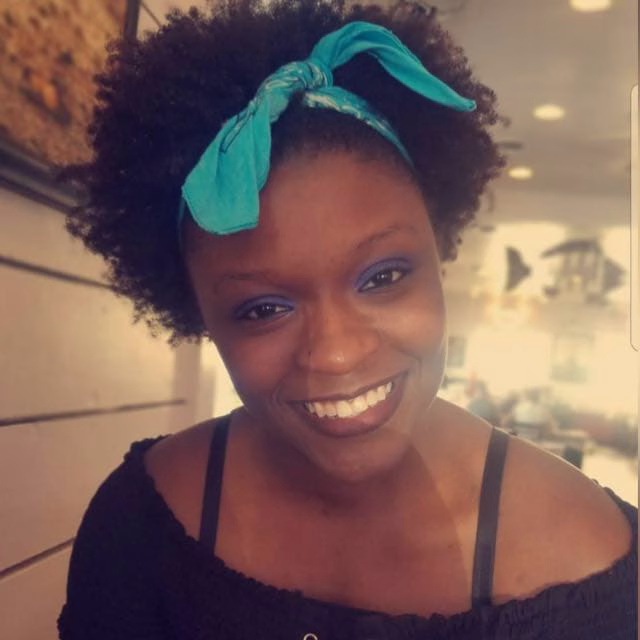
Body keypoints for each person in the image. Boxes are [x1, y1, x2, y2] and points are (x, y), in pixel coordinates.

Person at [57, 0, 636, 637]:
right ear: (202, 316)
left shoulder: (592, 567)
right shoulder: (144, 525)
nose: (336, 353)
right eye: (263, 308)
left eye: (383, 276)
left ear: (439, 250)